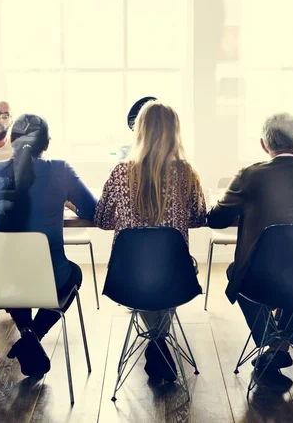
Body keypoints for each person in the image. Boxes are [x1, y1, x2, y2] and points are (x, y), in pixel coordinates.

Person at [207, 112, 293, 372]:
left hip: (261, 279)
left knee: (235, 273)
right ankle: (280, 346)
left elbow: (216, 220)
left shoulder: (249, 175)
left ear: (264, 145)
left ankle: (273, 344)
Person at [94, 100, 207, 383]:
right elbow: (199, 218)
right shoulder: (186, 172)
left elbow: (102, 220)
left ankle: (156, 344)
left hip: (127, 273)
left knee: (145, 275)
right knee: (167, 272)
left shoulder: (120, 171)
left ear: (139, 131)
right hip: (175, 272)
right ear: (175, 132)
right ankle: (158, 344)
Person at [0, 113, 97, 376]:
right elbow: (92, 209)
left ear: (11, 141)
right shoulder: (59, 170)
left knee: (14, 267)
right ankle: (32, 336)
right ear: (46, 144)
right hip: (48, 277)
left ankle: (27, 334)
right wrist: (66, 201)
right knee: (74, 273)